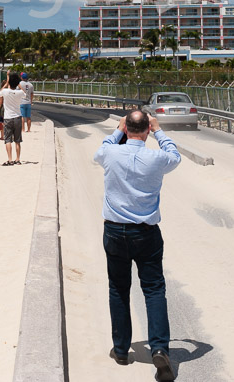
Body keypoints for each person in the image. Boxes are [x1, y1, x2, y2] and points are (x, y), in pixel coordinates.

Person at [93, 111, 182, 380]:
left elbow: (102, 149)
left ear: (125, 128)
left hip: (115, 230)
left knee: (118, 288)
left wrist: (118, 130)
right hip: (146, 233)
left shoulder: (110, 153)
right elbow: (175, 156)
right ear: (146, 130)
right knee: (154, 290)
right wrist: (159, 131)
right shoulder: (156, 158)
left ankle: (121, 350)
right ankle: (159, 349)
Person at [0, 73, 26, 166]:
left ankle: (10, 159)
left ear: (9, 82)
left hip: (8, 118)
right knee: (17, 140)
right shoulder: (19, 93)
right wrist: (18, 84)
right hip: (17, 117)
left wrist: (6, 84)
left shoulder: (5, 91)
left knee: (8, 139)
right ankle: (17, 159)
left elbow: (0, 92)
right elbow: (24, 93)